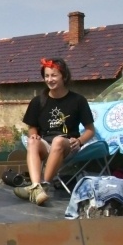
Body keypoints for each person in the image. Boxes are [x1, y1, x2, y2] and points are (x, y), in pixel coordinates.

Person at [18, 57, 95, 205]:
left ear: (64, 76)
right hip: (46, 144)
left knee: (58, 140)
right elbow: (32, 127)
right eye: (46, 76)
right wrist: (33, 136)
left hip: (67, 145)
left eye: (54, 75)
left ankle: (44, 184)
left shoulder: (78, 100)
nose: (49, 79)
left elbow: (90, 130)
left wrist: (79, 141)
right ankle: (36, 186)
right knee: (32, 142)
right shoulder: (38, 101)